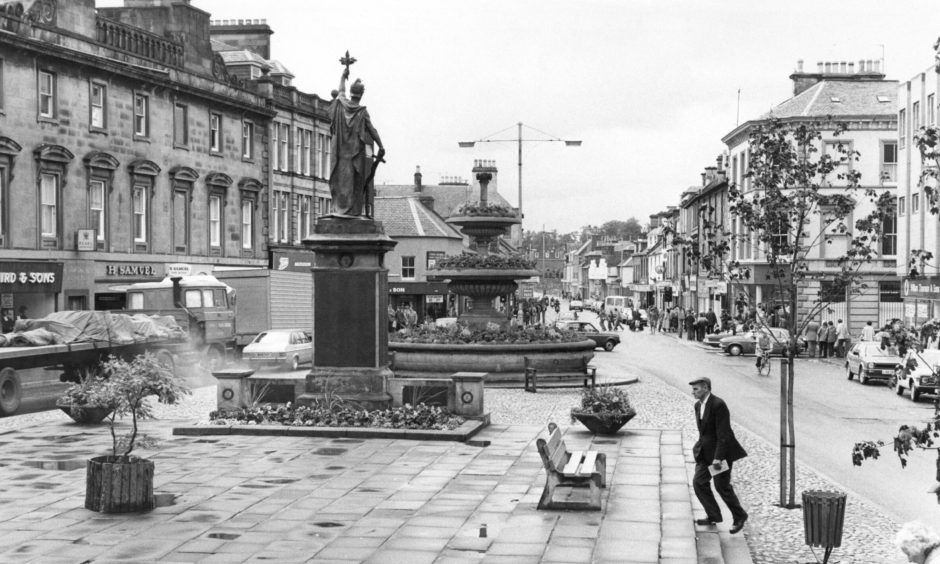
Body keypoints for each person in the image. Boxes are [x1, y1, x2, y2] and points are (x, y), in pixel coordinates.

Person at [689, 377, 748, 534]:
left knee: (721, 486)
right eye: (693, 389)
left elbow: (724, 434)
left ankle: (740, 516)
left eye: (696, 389)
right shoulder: (698, 405)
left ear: (706, 388)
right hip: (704, 453)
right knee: (699, 482)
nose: (693, 392)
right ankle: (713, 515)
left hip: (719, 455)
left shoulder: (718, 405)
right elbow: (704, 432)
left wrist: (718, 458)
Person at [328, 66, 385, 217]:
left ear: (351, 93)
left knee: (340, 182)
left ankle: (339, 210)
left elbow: (340, 91)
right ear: (361, 95)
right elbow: (372, 130)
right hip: (354, 156)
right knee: (354, 184)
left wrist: (342, 76)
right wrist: (381, 146)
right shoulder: (362, 112)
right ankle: (351, 212)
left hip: (340, 155)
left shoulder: (341, 104)